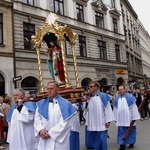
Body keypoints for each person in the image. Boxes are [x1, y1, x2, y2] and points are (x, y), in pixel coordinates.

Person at [34, 80, 76, 150]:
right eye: (48, 89)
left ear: (58, 89)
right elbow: (37, 119)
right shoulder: (41, 104)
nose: (49, 91)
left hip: (58, 140)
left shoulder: (66, 104)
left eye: (51, 89)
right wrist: (40, 130)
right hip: (44, 138)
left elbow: (65, 123)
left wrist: (50, 133)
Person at [85, 81, 114, 150]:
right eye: (89, 87)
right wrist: (87, 100)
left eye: (91, 87)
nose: (89, 88)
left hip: (102, 122)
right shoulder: (89, 97)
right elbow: (85, 110)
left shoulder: (103, 96)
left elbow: (108, 109)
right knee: (96, 140)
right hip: (93, 122)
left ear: (96, 87)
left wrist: (108, 121)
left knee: (102, 139)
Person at [113, 85, 140, 150]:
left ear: (125, 89)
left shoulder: (130, 97)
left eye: (121, 89)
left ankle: (131, 143)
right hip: (121, 119)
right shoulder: (117, 98)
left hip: (129, 118)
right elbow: (115, 109)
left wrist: (134, 117)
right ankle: (122, 145)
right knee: (121, 132)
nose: (120, 91)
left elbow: (134, 108)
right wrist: (115, 118)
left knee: (130, 131)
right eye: (119, 89)